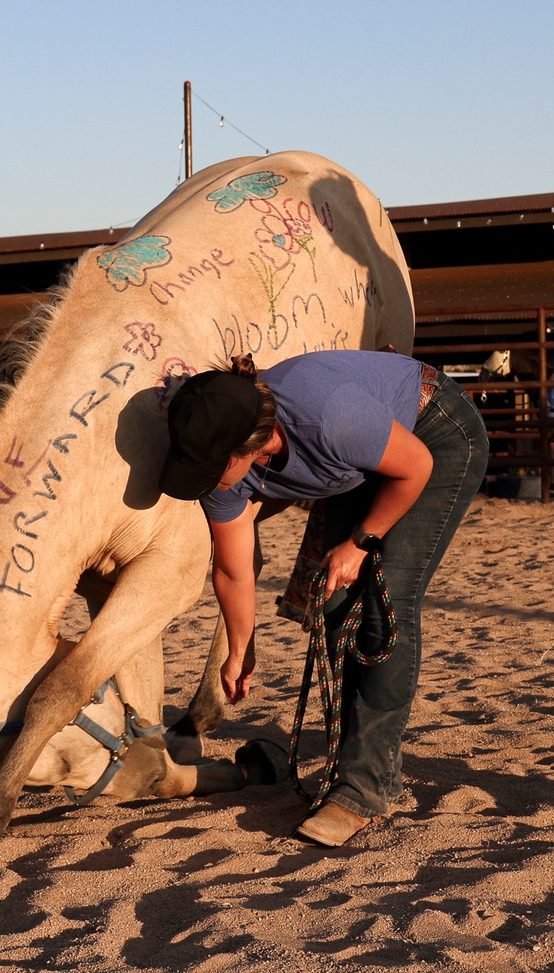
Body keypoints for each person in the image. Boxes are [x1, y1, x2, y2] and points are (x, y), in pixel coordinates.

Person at [159, 349, 487, 846]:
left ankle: (362, 791)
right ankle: (372, 768)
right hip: (360, 461)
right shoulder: (223, 476)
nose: (202, 478)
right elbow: (232, 568)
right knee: (334, 609)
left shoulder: (327, 415)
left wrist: (360, 542)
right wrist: (241, 648)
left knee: (385, 602)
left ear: (250, 446)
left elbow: (414, 466)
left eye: (208, 465)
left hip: (430, 435)